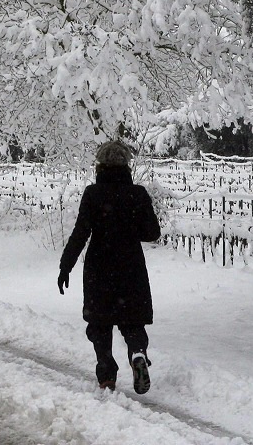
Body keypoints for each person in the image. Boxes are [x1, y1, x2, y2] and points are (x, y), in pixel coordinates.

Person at [58, 140, 161, 394]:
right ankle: (137, 354)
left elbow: (80, 233)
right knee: (132, 320)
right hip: (131, 268)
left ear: (100, 165)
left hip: (99, 270)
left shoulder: (93, 194)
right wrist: (128, 226)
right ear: (126, 165)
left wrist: (65, 266)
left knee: (100, 324)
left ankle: (106, 375)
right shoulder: (137, 194)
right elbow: (152, 233)